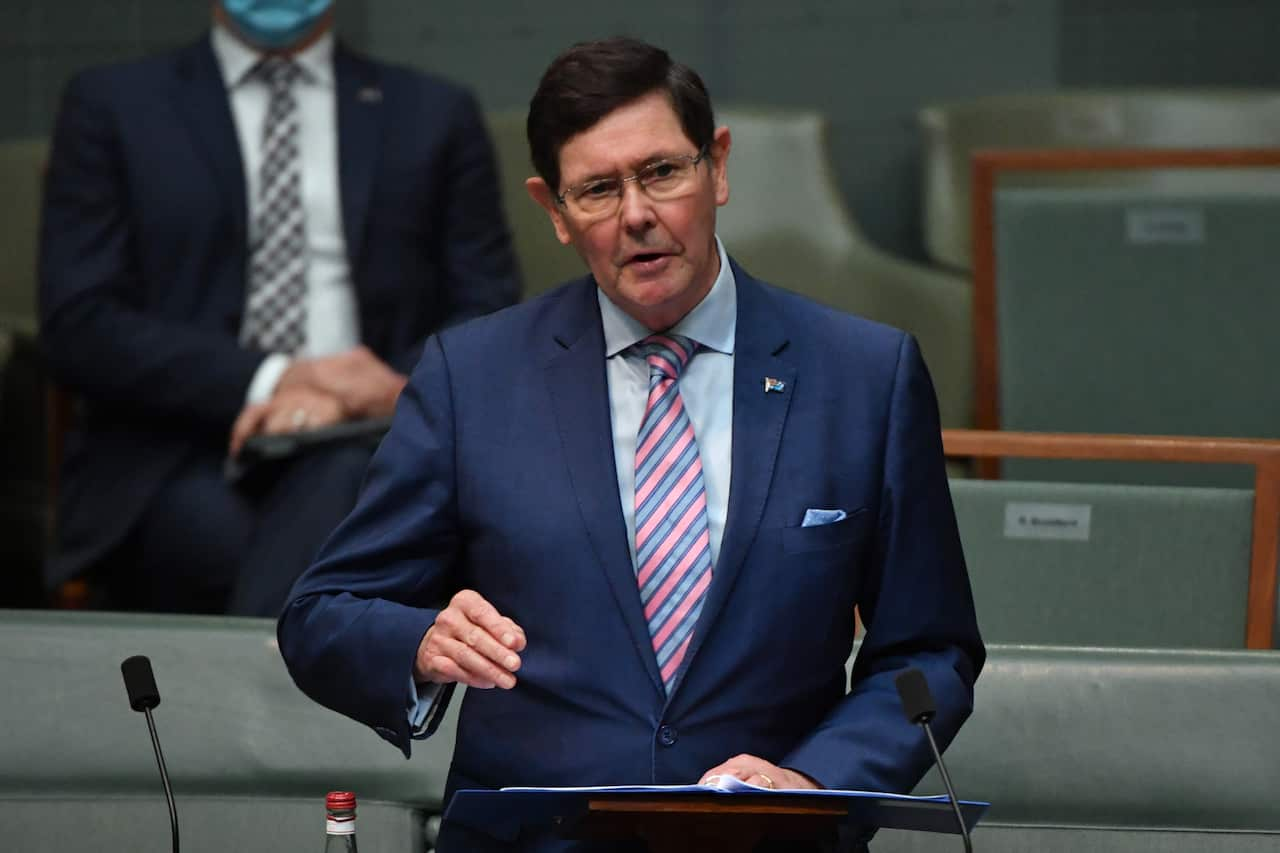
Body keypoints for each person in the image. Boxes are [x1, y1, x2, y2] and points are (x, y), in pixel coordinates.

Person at [278, 37, 983, 852]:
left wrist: (818, 780)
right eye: (598, 190)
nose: (637, 215)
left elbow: (929, 649)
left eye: (661, 173)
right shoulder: (470, 378)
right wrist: (420, 643)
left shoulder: (866, 375)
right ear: (555, 211)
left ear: (716, 166)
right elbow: (320, 616)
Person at [38, 0, 519, 616]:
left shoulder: (433, 113)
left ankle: (250, 698)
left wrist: (368, 394)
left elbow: (485, 305)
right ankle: (293, 678)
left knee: (347, 483)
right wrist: (282, 380)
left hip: (376, 437)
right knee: (275, 533)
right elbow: (79, 324)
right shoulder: (112, 105)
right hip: (178, 449)